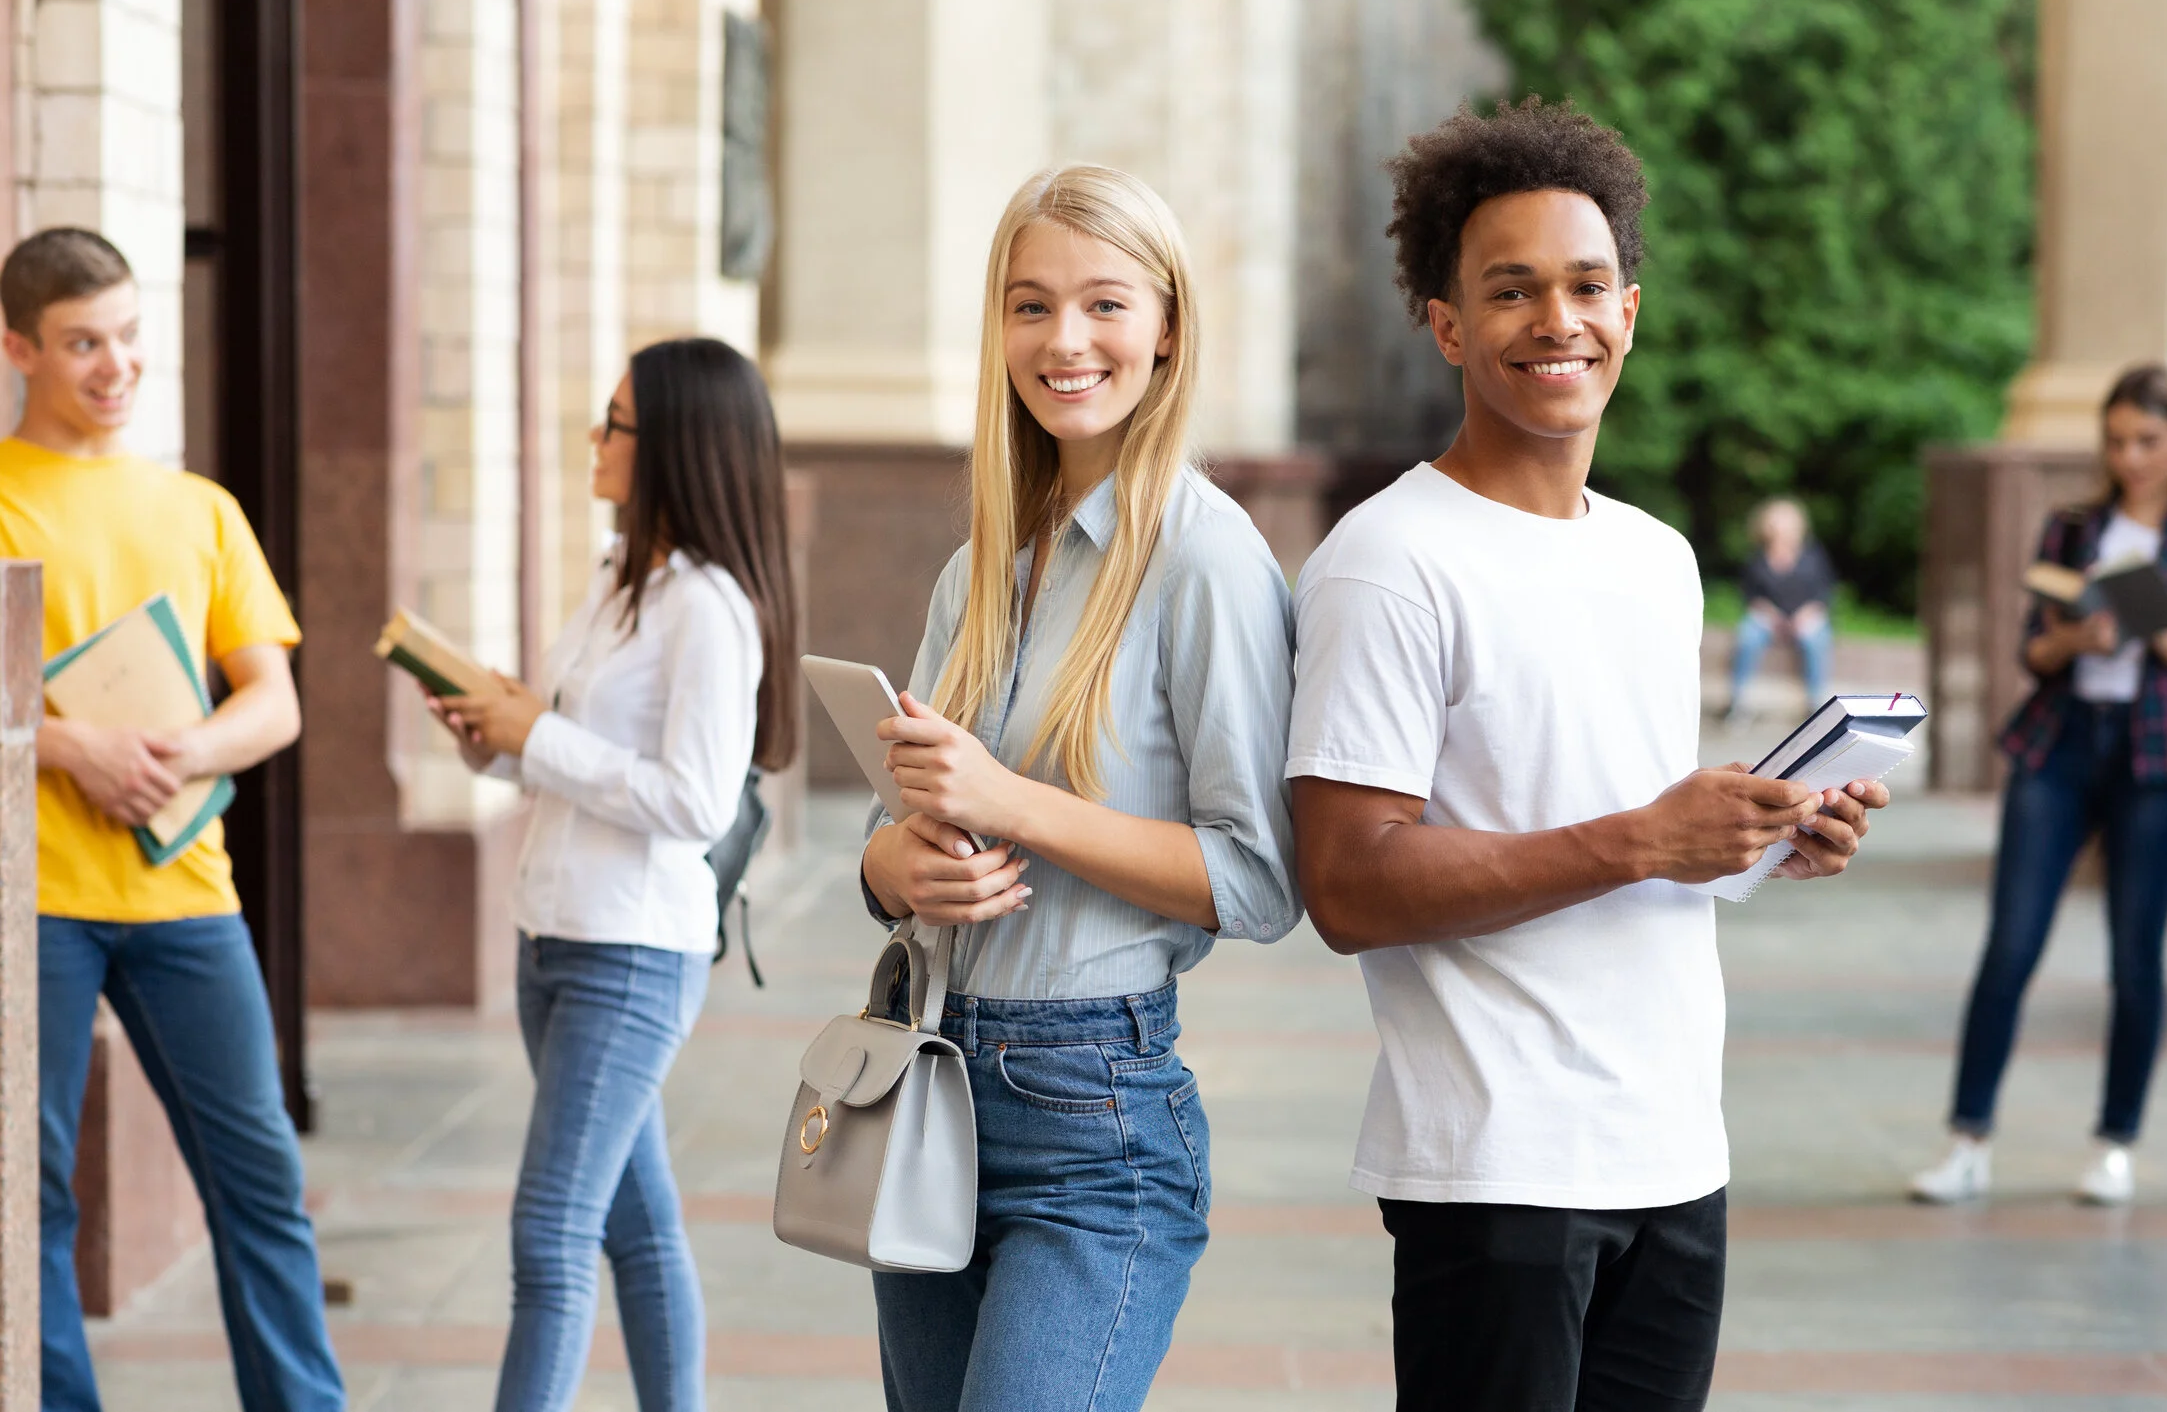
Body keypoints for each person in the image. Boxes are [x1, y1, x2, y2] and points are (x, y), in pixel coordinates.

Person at [1286, 100, 1889, 1412]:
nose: (1556, 321)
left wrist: (1759, 838)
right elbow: (1347, 883)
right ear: (1447, 324)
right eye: (1511, 292)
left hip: (1674, 1145)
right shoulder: (1388, 564)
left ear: (1629, 309)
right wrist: (1641, 840)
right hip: (1499, 1161)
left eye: (1584, 285)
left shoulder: (1655, 559)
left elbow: (1626, 830)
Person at [856, 165, 1298, 1412]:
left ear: (1165, 327)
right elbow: (899, 826)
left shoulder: (1207, 559)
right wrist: (893, 863)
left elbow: (1260, 882)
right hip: (931, 1078)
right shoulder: (981, 564)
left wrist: (1012, 804)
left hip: (1094, 1118)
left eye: (1105, 304)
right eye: (1029, 304)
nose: (1065, 341)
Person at [0, 228, 344, 1411]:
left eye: (131, 336)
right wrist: (71, 747)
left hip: (187, 894)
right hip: (32, 901)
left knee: (260, 1182)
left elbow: (275, 701)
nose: (116, 365)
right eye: (84, 342)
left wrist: (178, 751)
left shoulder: (198, 507)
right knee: (27, 1192)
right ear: (18, 348)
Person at [432, 337, 799, 1409]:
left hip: (630, 953)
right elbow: (561, 752)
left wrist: (536, 732)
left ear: (675, 445)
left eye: (615, 422)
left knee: (549, 1235)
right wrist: (487, 731)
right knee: (638, 1229)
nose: (595, 439)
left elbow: (694, 799)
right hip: (554, 935)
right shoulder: (616, 581)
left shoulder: (711, 609)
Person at [1907, 365, 2167, 1208]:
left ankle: (2115, 1142)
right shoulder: (2072, 529)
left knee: (2136, 955)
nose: (2131, 457)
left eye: (2149, 440)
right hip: (2061, 746)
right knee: (2011, 943)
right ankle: (1966, 1139)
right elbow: (2033, 649)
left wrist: (2156, 629)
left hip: (2161, 759)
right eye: (2117, 440)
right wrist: (2081, 637)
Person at [1723, 497, 1835, 719]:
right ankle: (1737, 701)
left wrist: (1806, 613)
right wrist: (1770, 614)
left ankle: (1815, 702)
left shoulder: (1813, 556)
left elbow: (1824, 592)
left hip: (1806, 616)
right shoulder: (1757, 558)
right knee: (1747, 637)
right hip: (1768, 618)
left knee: (1816, 641)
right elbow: (1750, 595)